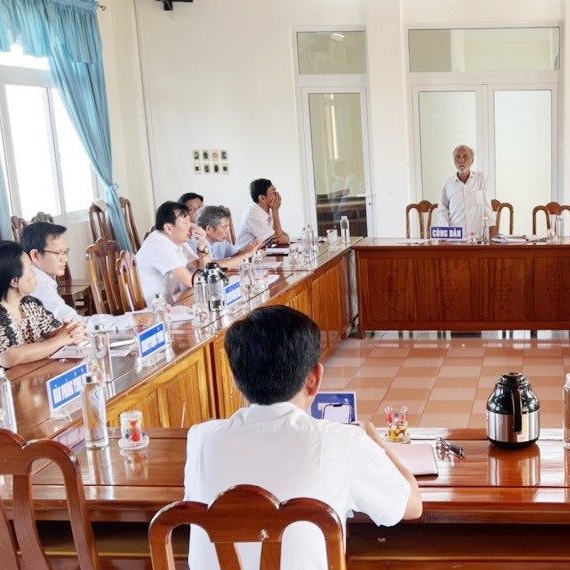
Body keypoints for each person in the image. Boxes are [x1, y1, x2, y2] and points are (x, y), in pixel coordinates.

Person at [184, 306, 422, 569]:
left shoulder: (201, 439)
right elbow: (411, 506)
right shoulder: (343, 442)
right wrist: (379, 445)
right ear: (314, 379)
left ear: (236, 379)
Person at [0, 241, 87, 390]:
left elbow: (54, 331)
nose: (35, 274)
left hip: (14, 380)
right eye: (31, 269)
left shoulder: (27, 303)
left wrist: (71, 331)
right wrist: (62, 339)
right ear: (14, 280)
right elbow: (10, 357)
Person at [20, 222, 134, 332]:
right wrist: (130, 320)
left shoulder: (40, 279)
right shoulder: (36, 284)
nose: (65, 259)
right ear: (35, 255)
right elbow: (74, 325)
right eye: (58, 252)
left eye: (65, 252)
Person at [136, 201, 212, 304]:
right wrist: (212, 275)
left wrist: (202, 244)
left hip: (168, 301)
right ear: (168, 228)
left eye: (190, 222)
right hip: (152, 308)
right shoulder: (159, 245)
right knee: (200, 291)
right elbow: (191, 281)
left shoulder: (177, 240)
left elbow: (201, 267)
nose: (191, 227)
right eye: (185, 223)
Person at [435, 145, 496, 239]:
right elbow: (443, 210)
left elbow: (487, 207)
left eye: (465, 156)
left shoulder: (481, 179)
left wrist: (492, 230)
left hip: (477, 238)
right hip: (455, 239)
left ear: (472, 160)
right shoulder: (448, 184)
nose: (461, 160)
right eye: (457, 157)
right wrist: (444, 235)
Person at [197, 205, 263, 268]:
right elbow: (209, 266)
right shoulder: (199, 242)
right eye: (224, 227)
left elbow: (237, 255)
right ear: (209, 229)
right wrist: (246, 255)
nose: (228, 231)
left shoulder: (220, 241)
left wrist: (254, 252)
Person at [236, 178, 289, 249]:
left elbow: (281, 235)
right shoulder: (253, 214)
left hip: (261, 254)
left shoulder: (265, 211)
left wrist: (284, 238)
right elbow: (279, 239)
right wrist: (275, 211)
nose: (277, 195)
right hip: (247, 258)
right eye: (274, 192)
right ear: (262, 198)